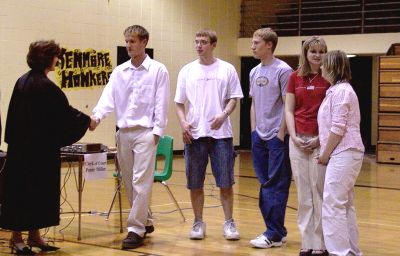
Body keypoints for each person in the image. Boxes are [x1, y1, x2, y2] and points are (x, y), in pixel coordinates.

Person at [0, 40, 93, 255]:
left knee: (30, 194)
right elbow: (65, 114)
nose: (58, 60)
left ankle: (34, 236)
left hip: (24, 150)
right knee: (28, 194)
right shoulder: (44, 86)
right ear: (47, 58)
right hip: (36, 152)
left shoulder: (22, 81)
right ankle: (18, 239)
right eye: (55, 56)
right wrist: (87, 120)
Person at [91, 25, 170, 249]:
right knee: (128, 181)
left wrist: (157, 132)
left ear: (144, 42)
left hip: (146, 132)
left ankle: (136, 229)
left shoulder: (158, 70)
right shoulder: (119, 72)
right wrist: (97, 117)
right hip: (123, 132)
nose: (128, 45)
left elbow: (161, 103)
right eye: (126, 41)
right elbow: (108, 97)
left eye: (132, 41)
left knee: (140, 181)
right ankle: (146, 220)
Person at [174, 29, 243, 241]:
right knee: (195, 183)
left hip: (221, 135)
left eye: (203, 42)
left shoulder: (227, 69)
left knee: (225, 182)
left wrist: (224, 115)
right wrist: (184, 122)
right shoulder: (187, 70)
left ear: (213, 44)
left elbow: (234, 98)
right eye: (196, 42)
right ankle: (198, 222)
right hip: (195, 135)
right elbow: (179, 102)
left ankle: (229, 222)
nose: (199, 45)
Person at [285, 36, 330, 256]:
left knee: (318, 192)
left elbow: (332, 114)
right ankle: (307, 241)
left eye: (321, 51)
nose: (317, 55)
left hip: (319, 141)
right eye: (313, 51)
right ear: (306, 53)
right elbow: (289, 110)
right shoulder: (294, 77)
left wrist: (320, 138)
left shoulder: (329, 78)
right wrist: (293, 137)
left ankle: (321, 242)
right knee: (303, 195)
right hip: (298, 141)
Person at [248, 27, 293, 249]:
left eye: (256, 42)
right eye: (252, 42)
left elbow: (288, 105)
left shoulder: (283, 70)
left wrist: (281, 133)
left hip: (277, 136)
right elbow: (254, 103)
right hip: (259, 136)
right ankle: (278, 231)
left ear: (269, 45)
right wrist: (254, 131)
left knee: (276, 184)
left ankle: (273, 233)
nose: (252, 46)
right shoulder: (254, 72)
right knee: (265, 183)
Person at [317, 50, 364, 256]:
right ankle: (351, 251)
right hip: (343, 152)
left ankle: (339, 252)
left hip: (343, 151)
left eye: (324, 64)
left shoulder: (342, 91)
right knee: (344, 205)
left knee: (333, 203)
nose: (320, 67)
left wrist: (325, 154)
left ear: (333, 67)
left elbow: (338, 128)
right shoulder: (336, 91)